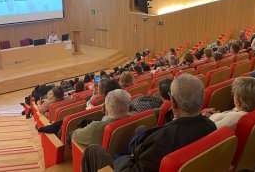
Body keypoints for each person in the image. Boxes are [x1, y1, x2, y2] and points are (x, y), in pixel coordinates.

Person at [80, 74, 216, 172]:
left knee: (92, 150)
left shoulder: (161, 140)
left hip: (134, 164)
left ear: (173, 103)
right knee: (141, 129)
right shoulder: (211, 126)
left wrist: (124, 159)